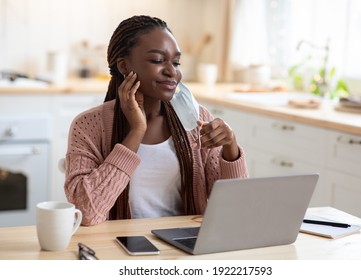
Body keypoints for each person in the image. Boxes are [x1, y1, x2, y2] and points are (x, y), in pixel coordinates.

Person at [64, 15, 248, 226]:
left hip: (184, 247)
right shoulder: (89, 126)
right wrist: (136, 132)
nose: (172, 72)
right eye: (158, 60)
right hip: (118, 247)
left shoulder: (198, 120)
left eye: (176, 62)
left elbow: (235, 210)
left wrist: (230, 149)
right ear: (124, 66)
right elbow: (85, 213)